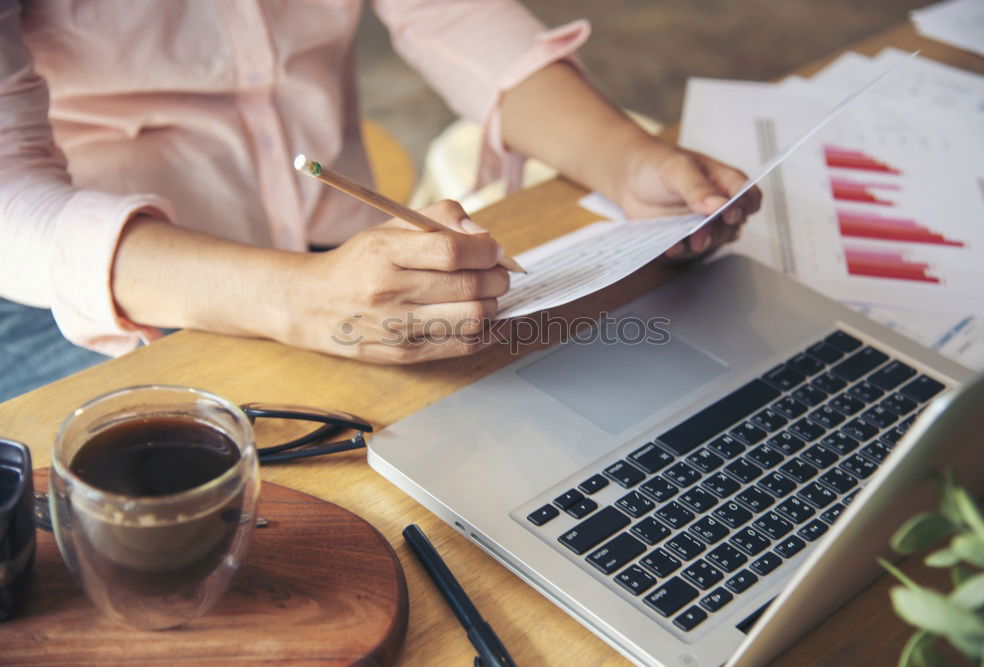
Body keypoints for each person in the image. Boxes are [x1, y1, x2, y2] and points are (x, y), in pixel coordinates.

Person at [0, 0, 761, 401]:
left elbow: (447, 12)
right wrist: (296, 298)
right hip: (91, 292)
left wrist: (623, 156)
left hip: (341, 258)